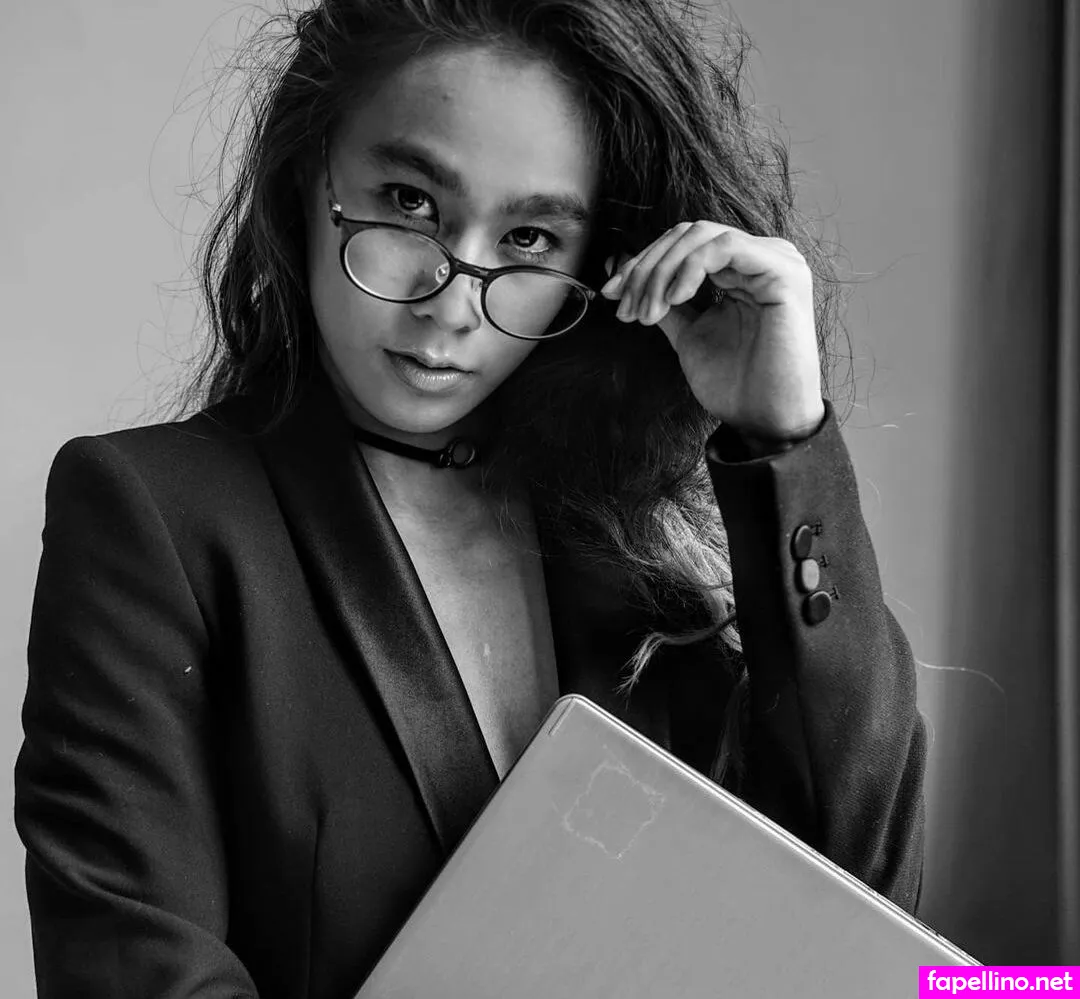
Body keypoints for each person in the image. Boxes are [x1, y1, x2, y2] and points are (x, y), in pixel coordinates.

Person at [14, 0, 927, 996]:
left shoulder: (634, 546)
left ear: (599, 265)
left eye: (529, 236)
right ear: (309, 177)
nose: (452, 305)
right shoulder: (152, 514)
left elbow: (860, 902)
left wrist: (781, 434)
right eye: (409, 202)